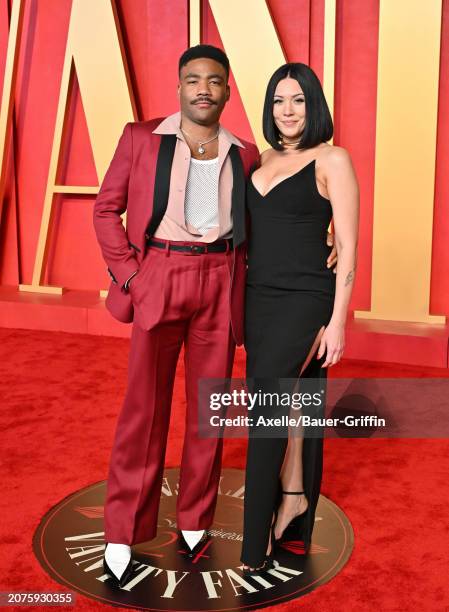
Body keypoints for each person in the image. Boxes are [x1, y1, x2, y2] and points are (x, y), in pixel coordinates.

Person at [93, 45, 337, 587]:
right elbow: (105, 208)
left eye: (214, 81)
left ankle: (196, 521)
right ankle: (121, 529)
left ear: (228, 91)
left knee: (209, 411)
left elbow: (281, 211)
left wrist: (332, 238)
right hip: (159, 273)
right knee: (144, 409)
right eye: (192, 79)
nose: (203, 88)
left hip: (221, 282)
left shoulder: (245, 153)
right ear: (180, 87)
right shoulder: (140, 138)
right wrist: (131, 276)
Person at [240, 62, 359, 574]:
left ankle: (252, 546)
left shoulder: (333, 158)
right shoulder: (260, 158)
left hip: (307, 298)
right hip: (258, 300)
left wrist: (338, 322)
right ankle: (293, 496)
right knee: (291, 405)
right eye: (278, 101)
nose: (287, 111)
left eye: (298, 101)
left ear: (314, 107)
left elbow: (349, 249)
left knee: (265, 410)